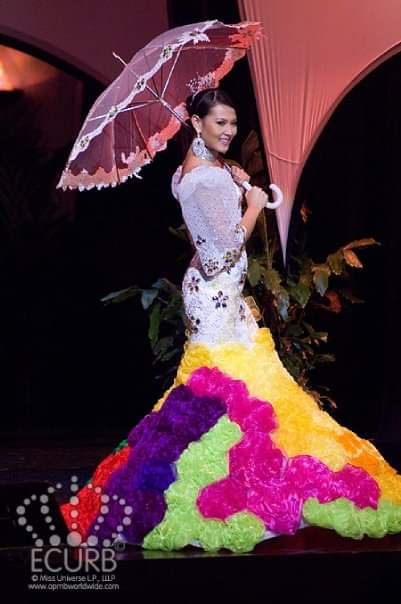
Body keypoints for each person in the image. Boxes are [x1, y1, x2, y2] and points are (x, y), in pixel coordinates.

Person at [60, 88, 401, 553]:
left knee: (242, 385)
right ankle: (226, 491)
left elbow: (206, 208)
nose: (229, 131)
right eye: (219, 122)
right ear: (196, 123)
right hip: (216, 292)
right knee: (226, 391)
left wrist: (235, 178)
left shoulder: (197, 171)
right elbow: (221, 253)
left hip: (221, 295)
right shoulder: (203, 180)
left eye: (233, 123)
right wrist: (254, 204)